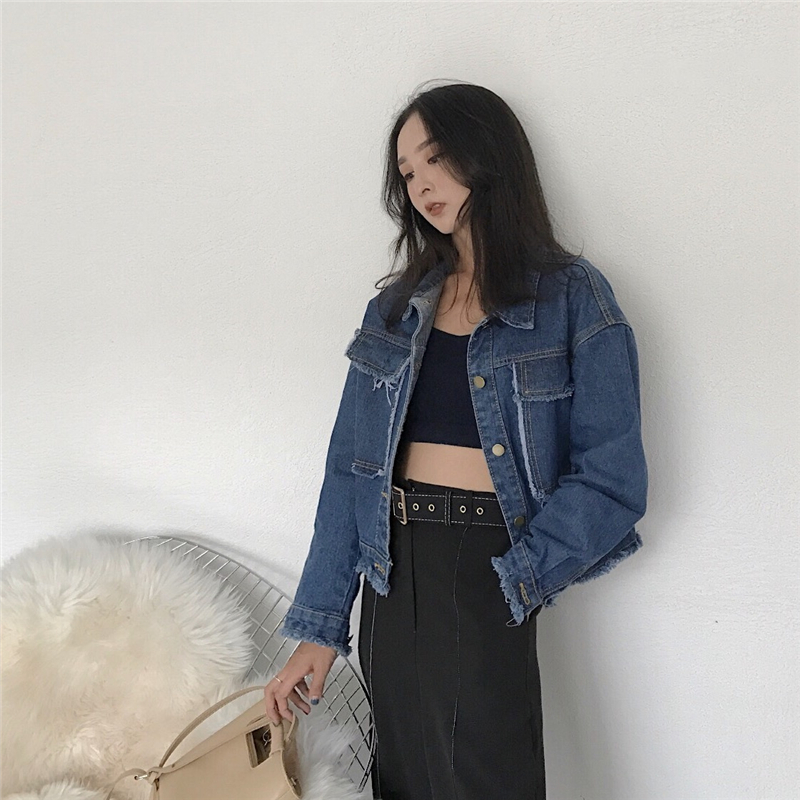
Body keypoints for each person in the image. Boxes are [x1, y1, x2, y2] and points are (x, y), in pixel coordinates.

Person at [265, 80, 648, 800]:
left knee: (485, 781)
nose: (420, 184)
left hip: (487, 567)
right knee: (404, 781)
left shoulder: (573, 298)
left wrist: (520, 575)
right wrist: (320, 627)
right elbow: (349, 474)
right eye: (407, 172)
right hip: (389, 575)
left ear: (487, 152)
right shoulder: (393, 310)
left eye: (435, 158)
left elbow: (613, 478)